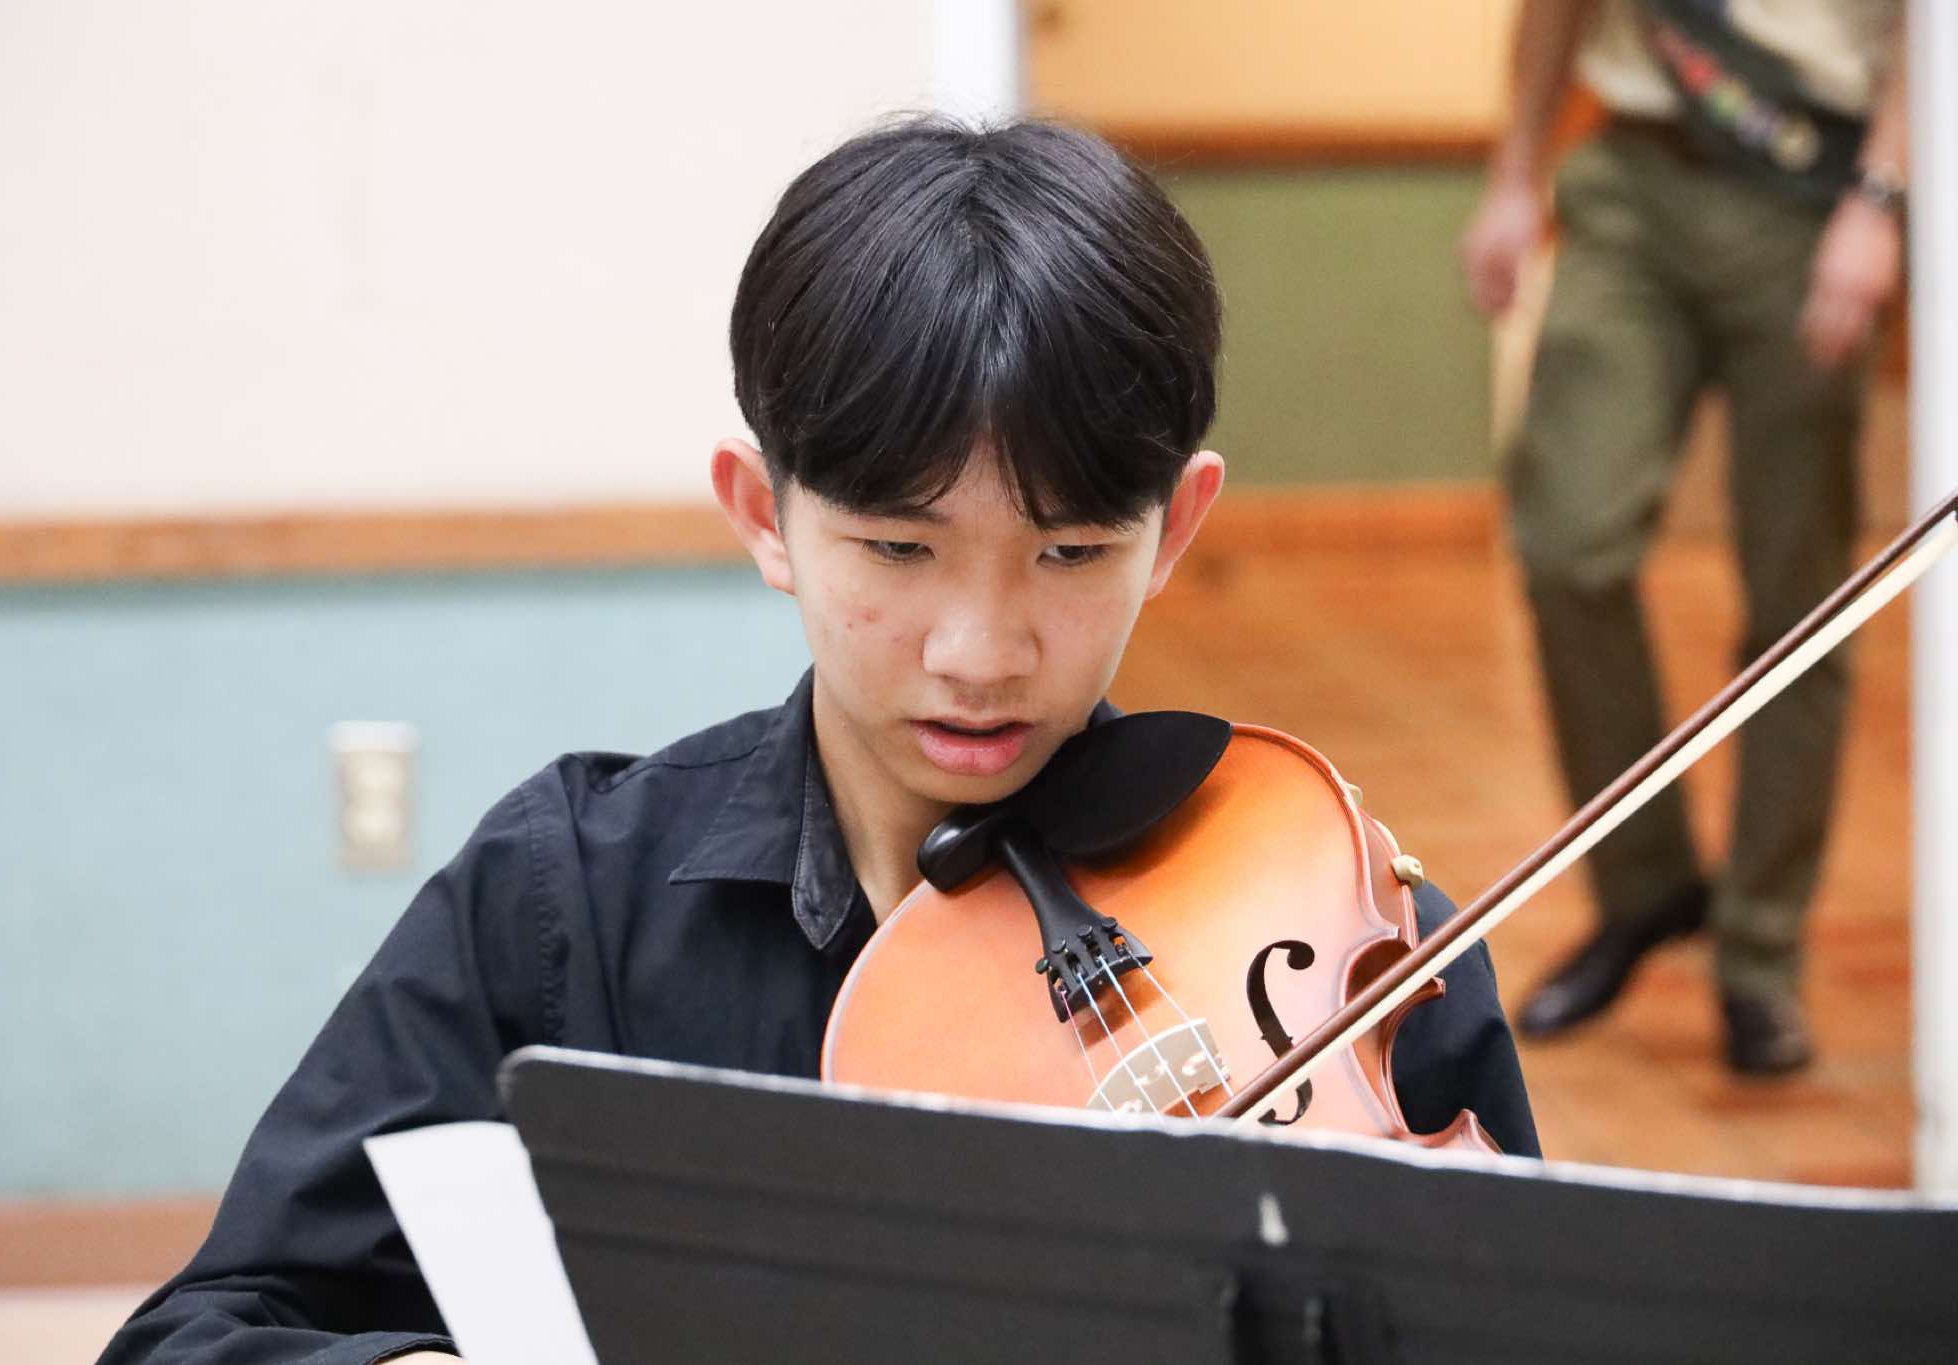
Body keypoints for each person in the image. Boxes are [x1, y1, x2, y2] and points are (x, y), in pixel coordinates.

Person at [101, 116, 1539, 1365]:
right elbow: (206, 1330)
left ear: (1177, 531)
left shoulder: (1340, 930)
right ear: (762, 515)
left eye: (1070, 552)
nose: (978, 653)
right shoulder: (568, 897)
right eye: (899, 551)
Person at [1459, 0, 1907, 1074]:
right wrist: (1514, 176)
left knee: (1797, 608)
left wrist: (1881, 202)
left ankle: (1759, 957)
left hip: (1812, 191)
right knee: (1567, 547)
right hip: (1630, 178)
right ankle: (1645, 887)